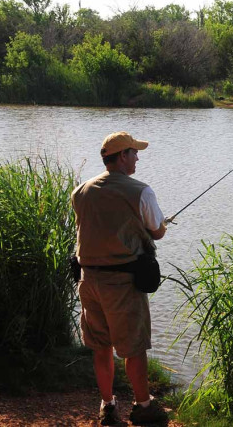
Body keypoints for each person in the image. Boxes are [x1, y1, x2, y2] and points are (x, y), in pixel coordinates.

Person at [71, 131, 169, 426]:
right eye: (134, 152)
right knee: (134, 347)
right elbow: (158, 231)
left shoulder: (81, 191)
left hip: (88, 280)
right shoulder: (140, 191)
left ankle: (108, 407)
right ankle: (143, 407)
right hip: (123, 283)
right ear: (122, 156)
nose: (138, 157)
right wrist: (159, 226)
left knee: (101, 346)